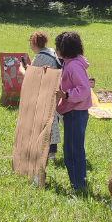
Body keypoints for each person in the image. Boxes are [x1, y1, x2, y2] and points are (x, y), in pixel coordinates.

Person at [55, 31, 91, 192]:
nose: (56, 50)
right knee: (70, 149)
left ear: (65, 48)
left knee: (73, 150)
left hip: (76, 112)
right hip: (72, 111)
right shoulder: (69, 63)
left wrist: (66, 95)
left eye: (58, 47)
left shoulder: (74, 66)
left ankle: (79, 186)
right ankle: (77, 183)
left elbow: (84, 90)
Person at [29, 31, 62, 157]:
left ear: (34, 43)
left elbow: (31, 75)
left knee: (46, 122)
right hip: (54, 90)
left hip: (45, 92)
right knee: (52, 121)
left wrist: (23, 68)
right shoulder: (51, 51)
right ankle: (51, 151)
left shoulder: (40, 57)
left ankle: (48, 151)